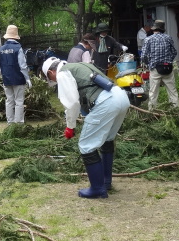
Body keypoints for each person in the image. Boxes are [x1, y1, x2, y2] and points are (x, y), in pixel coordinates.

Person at [41, 56, 130, 199]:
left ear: (51, 72)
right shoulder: (80, 65)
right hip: (120, 96)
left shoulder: (63, 73)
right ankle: (106, 182)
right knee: (107, 139)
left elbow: (72, 103)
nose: (53, 81)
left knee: (86, 145)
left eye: (50, 78)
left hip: (106, 102)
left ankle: (97, 189)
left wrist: (70, 127)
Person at [139, 19, 179, 110]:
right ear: (162, 29)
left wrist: (149, 63)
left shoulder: (148, 39)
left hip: (155, 68)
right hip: (168, 68)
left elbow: (144, 56)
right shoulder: (168, 38)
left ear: (154, 29)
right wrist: (168, 61)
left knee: (153, 92)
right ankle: (176, 110)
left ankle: (153, 111)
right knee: (172, 91)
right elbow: (174, 52)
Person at [0, 24, 31, 125]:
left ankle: (10, 122)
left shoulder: (1, 49)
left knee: (9, 101)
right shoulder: (18, 48)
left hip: (6, 79)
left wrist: (3, 76)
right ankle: (19, 123)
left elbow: (0, 66)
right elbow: (23, 65)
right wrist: (28, 78)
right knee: (19, 101)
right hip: (18, 78)